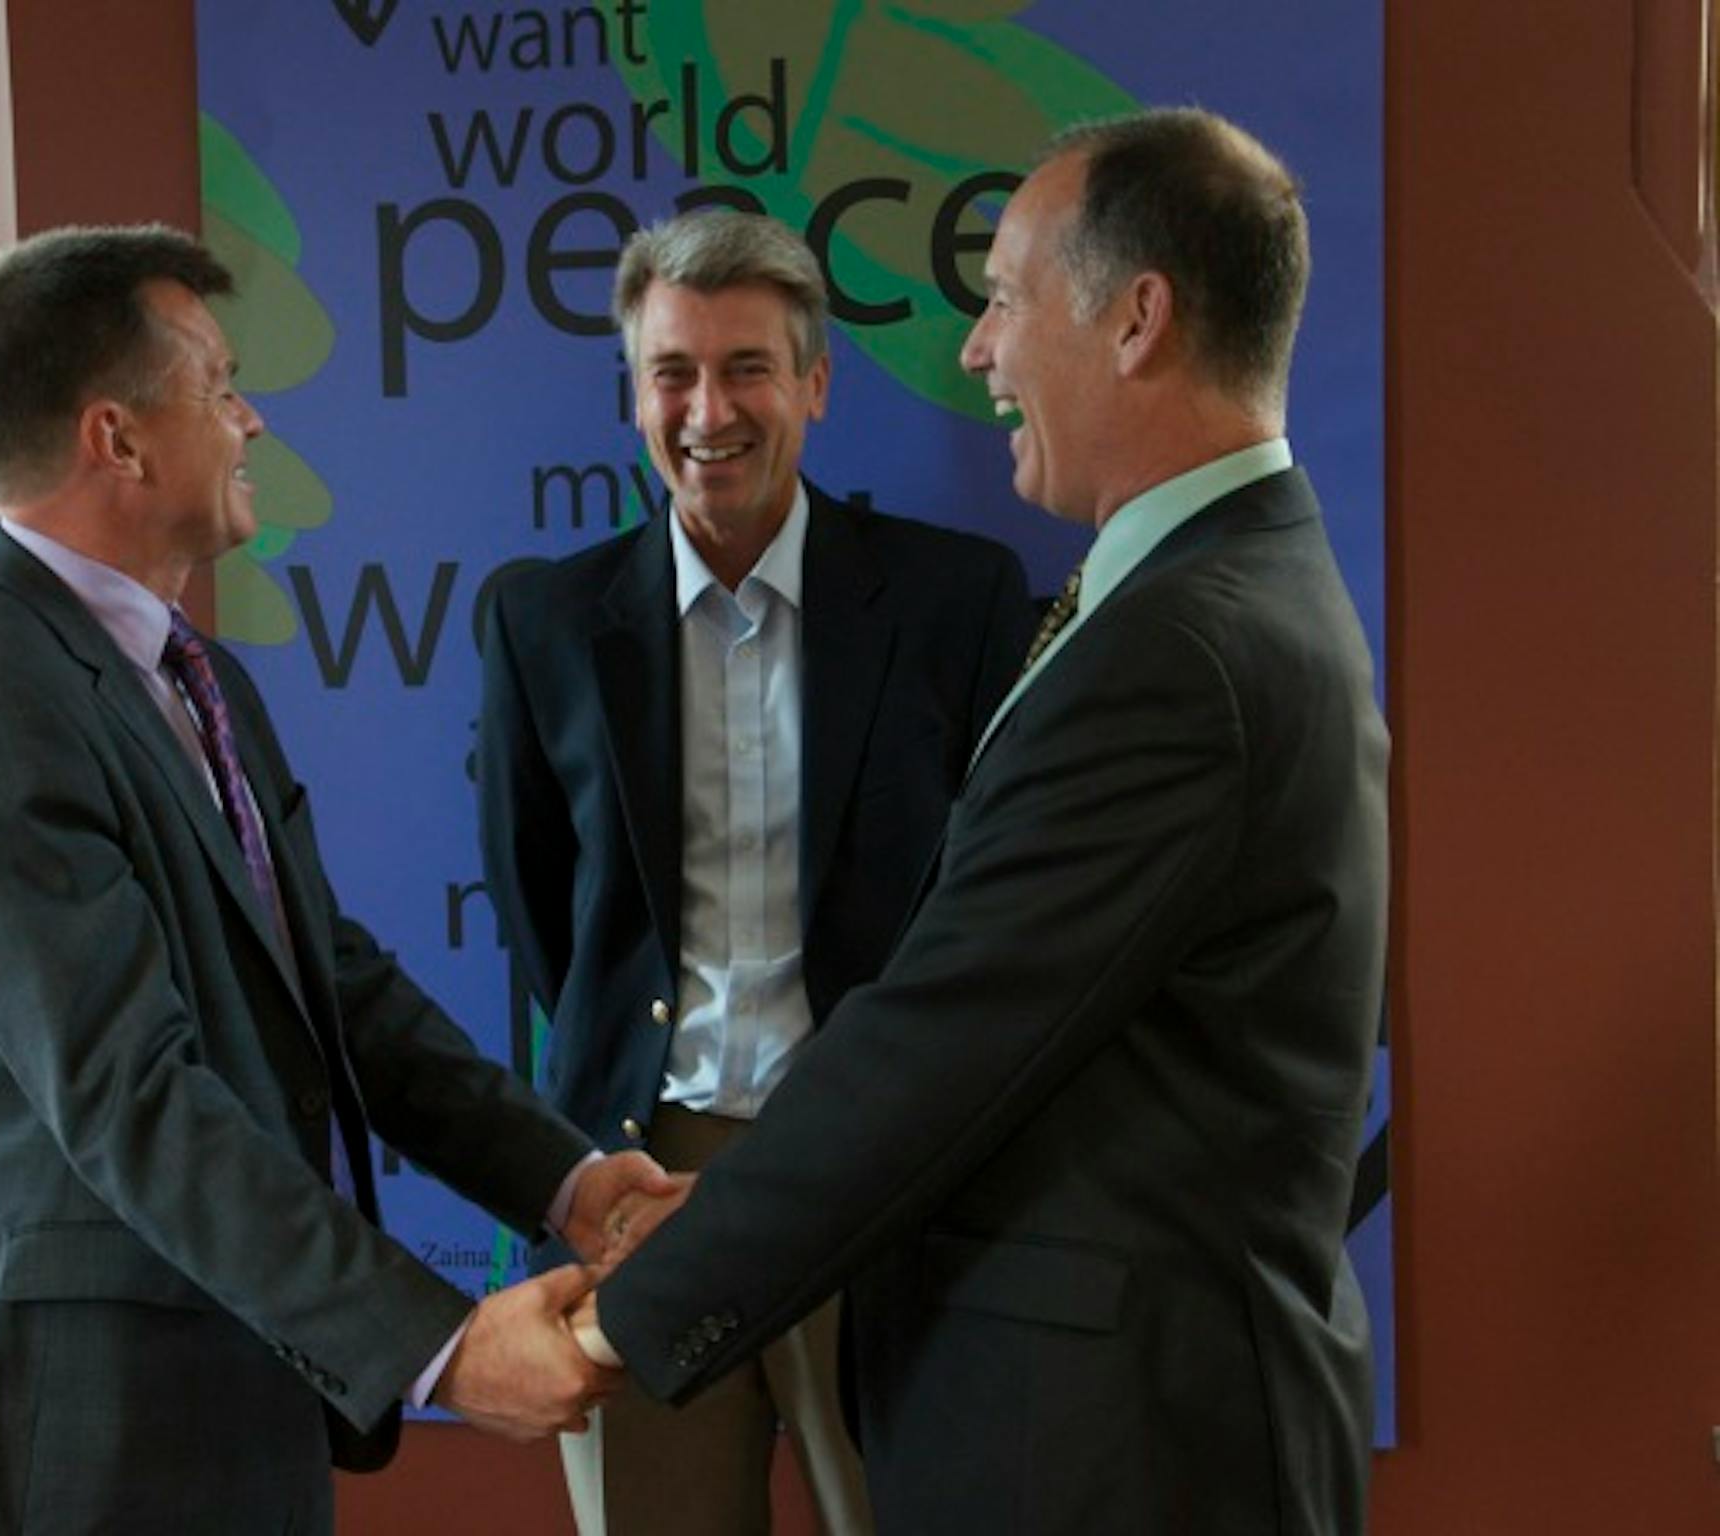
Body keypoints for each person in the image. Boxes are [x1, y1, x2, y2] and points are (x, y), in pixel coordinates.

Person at [574, 108, 1388, 1534]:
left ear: (1136, 318)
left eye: (1003, 300)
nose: (976, 349)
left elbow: (944, 1035)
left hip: (1115, 1448)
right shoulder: (1219, 587)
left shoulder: (1181, 647)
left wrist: (602, 1331)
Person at [0, 224, 675, 1535]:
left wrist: (567, 1182)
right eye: (221, 383)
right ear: (117, 440)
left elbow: (329, 985)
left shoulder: (199, 677)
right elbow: (133, 1099)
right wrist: (443, 1348)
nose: (251, 419)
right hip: (88, 1433)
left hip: (242, 1376)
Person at [476, 209, 1033, 1535]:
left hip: (882, 1177)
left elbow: (999, 908)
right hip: (643, 1194)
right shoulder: (543, 622)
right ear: (634, 394)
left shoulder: (956, 603)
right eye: (672, 371)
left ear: (816, 385)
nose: (707, 409)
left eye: (747, 368)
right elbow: (540, 905)